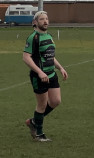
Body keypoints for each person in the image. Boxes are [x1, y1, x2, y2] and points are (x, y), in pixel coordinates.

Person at [22, 11, 69, 142]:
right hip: (40, 77)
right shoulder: (33, 37)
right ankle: (39, 134)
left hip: (52, 74)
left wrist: (60, 68)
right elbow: (26, 57)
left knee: (55, 101)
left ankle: (33, 121)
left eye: (47, 19)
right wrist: (39, 72)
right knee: (41, 105)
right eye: (42, 19)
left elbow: (50, 56)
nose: (45, 21)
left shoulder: (49, 36)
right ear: (35, 22)